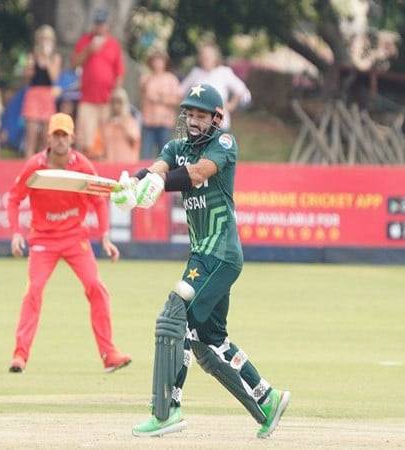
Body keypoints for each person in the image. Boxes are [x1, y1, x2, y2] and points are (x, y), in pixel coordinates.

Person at [111, 83, 290, 438]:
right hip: (202, 256)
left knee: (174, 321)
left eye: (201, 115)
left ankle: (167, 410)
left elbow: (196, 174)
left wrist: (158, 183)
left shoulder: (223, 144)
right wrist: (133, 184)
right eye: (189, 114)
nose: (194, 121)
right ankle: (267, 398)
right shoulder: (176, 147)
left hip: (220, 253)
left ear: (216, 118)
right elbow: (159, 168)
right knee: (210, 340)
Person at [7, 112, 132, 374]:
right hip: (43, 239)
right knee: (34, 290)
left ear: (72, 138)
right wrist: (16, 233)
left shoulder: (83, 165)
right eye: (56, 135)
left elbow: (99, 199)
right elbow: (14, 198)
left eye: (65, 135)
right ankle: (20, 355)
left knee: (96, 287)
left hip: (75, 237)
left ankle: (109, 354)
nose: (61, 140)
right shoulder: (35, 166)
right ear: (48, 137)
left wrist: (105, 236)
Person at [71, 7, 124, 159]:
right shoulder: (85, 41)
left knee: (107, 138)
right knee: (84, 138)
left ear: (107, 25)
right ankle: (83, 164)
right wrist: (89, 50)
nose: (100, 26)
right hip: (87, 98)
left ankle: (107, 164)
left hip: (106, 99)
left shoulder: (114, 44)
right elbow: (74, 64)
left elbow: (119, 72)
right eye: (97, 23)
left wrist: (115, 94)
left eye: (102, 23)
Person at [180, 43, 251, 130]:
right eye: (203, 56)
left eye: (208, 57)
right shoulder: (195, 73)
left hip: (219, 124)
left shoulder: (223, 72)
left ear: (215, 58)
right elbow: (180, 91)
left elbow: (241, 89)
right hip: (198, 126)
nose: (205, 59)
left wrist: (231, 105)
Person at [22, 25, 62, 159]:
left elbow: (54, 78)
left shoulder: (55, 57)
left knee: (46, 139)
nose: (45, 41)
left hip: (47, 96)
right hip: (33, 96)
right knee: (31, 138)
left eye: (48, 38)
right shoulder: (32, 55)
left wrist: (47, 59)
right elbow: (27, 77)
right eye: (43, 38)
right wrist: (32, 63)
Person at [139, 50, 181, 159]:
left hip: (165, 123)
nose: (157, 64)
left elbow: (177, 100)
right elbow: (143, 97)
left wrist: (160, 99)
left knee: (164, 155)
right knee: (145, 155)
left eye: (160, 61)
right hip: (148, 122)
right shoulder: (146, 78)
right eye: (155, 61)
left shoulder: (171, 79)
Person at [101, 87, 140, 163]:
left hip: (127, 164)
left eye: (119, 102)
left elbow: (134, 140)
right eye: (113, 102)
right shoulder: (106, 122)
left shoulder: (130, 121)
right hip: (110, 163)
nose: (116, 106)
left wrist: (122, 125)